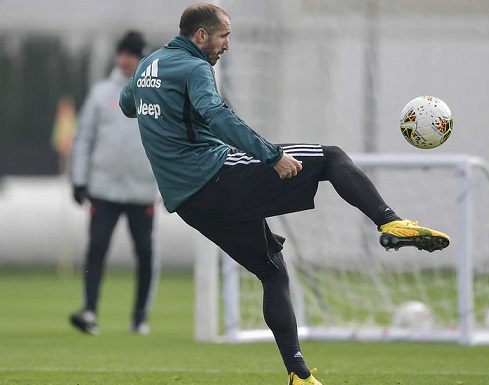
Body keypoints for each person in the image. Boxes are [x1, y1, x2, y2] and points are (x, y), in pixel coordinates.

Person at [119, 4, 449, 384]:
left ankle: (299, 376)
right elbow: (219, 116)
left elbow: (129, 105)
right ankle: (391, 221)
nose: (228, 44)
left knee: (272, 271)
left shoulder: (147, 66)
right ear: (201, 36)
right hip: (216, 177)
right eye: (224, 35)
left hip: (190, 203)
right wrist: (271, 156)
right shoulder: (195, 67)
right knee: (332, 157)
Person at [69, 31, 159, 336]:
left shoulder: (157, 94)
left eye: (131, 54)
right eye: (122, 53)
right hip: (103, 189)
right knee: (96, 250)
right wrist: (79, 179)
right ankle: (90, 311)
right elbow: (83, 139)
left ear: (142, 58)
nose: (125, 59)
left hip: (142, 190)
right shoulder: (100, 93)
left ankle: (139, 317)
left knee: (146, 254)